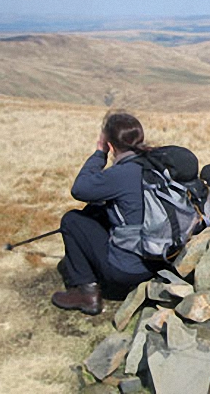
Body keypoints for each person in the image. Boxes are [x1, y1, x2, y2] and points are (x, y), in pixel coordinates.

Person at [52, 112, 166, 315]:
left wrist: (99, 154)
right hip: (163, 260)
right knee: (96, 211)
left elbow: (79, 189)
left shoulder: (119, 174)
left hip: (129, 270)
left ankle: (87, 294)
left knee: (71, 220)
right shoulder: (157, 164)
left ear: (111, 145)